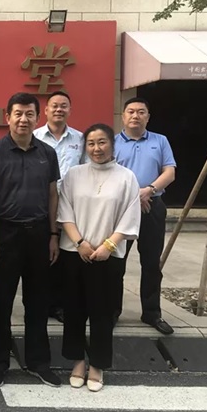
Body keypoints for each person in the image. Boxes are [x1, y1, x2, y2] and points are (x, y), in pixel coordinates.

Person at [0, 92, 61, 389]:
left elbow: (52, 194)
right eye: (18, 113)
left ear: (38, 118)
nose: (23, 119)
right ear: (8, 117)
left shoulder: (47, 153)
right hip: (5, 235)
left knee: (38, 301)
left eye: (29, 114)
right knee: (2, 301)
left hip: (39, 235)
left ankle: (39, 363)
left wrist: (53, 235)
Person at [58, 123, 141, 392]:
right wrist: (80, 242)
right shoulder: (74, 174)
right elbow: (64, 211)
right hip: (75, 253)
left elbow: (130, 216)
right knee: (74, 311)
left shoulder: (126, 177)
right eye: (91, 143)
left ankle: (97, 365)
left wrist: (108, 245)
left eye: (102, 142)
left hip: (108, 256)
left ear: (112, 145)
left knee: (102, 313)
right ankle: (77, 361)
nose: (96, 148)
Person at [114, 97, 176, 335]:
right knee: (116, 261)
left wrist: (148, 190)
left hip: (153, 206)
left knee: (151, 263)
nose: (135, 116)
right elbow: (108, 174)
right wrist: (133, 196)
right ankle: (112, 311)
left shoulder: (160, 141)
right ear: (123, 116)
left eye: (141, 112)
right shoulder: (112, 142)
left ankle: (152, 313)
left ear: (148, 117)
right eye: (131, 111)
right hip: (121, 208)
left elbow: (169, 172)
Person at [33, 91, 85, 324]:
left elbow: (86, 170)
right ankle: (43, 303)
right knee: (43, 255)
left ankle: (61, 304)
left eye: (63, 106)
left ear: (70, 110)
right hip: (40, 204)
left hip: (71, 206)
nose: (59, 109)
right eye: (54, 106)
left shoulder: (80, 139)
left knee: (65, 256)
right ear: (45, 111)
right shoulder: (34, 137)